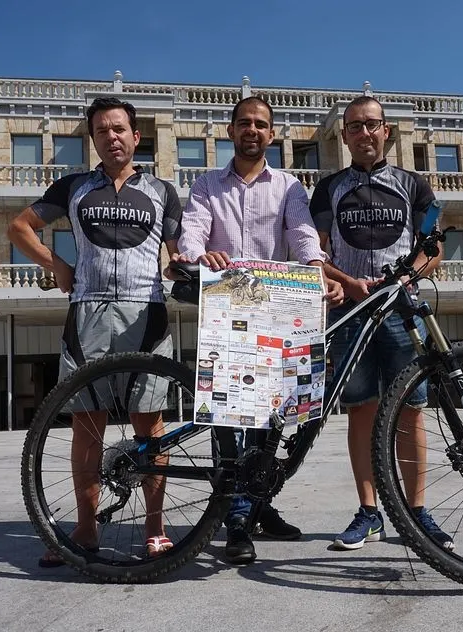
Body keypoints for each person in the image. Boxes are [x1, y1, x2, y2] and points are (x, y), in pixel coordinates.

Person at [7, 97, 182, 566]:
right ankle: (86, 530)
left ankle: (155, 529)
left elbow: (176, 254)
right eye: (102, 130)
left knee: (150, 428)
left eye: (119, 128)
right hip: (87, 314)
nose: (112, 137)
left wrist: (185, 265)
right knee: (87, 428)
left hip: (147, 313)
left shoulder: (162, 191)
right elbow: (20, 227)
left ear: (136, 136)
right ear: (93, 139)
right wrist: (57, 265)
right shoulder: (74, 187)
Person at [172, 96, 345, 564]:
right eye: (244, 123)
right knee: (228, 417)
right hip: (225, 315)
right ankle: (235, 519)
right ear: (231, 131)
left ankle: (258, 504)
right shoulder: (206, 185)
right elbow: (193, 231)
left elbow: (303, 236)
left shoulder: (288, 186)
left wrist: (319, 272)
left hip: (276, 316)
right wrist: (199, 254)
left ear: (272, 134)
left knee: (273, 417)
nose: (252, 130)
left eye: (261, 124)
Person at [310, 96, 455, 551]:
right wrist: (345, 283)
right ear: (344, 135)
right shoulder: (328, 188)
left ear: (386, 131)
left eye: (371, 125)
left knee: (410, 411)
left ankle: (416, 513)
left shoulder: (413, 185)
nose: (364, 133)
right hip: (350, 312)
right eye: (354, 126)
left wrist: (407, 278)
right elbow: (315, 254)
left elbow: (433, 247)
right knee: (362, 411)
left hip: (401, 311)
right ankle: (369, 512)